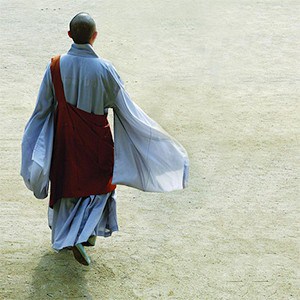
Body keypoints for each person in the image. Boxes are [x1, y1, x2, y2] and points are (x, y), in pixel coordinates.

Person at [21, 12, 189, 266]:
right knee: (101, 187)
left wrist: (35, 143)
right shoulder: (104, 69)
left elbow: (42, 108)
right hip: (97, 139)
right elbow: (124, 106)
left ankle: (72, 236)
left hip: (65, 141)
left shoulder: (55, 66)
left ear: (69, 35)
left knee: (68, 186)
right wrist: (153, 138)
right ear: (94, 36)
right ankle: (82, 235)